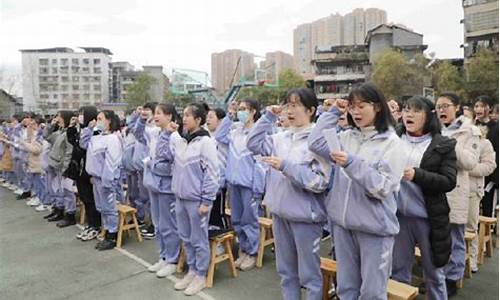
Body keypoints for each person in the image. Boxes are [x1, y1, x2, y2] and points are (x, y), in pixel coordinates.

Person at [309, 83, 407, 300]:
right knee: (346, 288)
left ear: (378, 107)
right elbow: (315, 143)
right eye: (352, 106)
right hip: (342, 226)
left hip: (374, 229)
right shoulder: (346, 137)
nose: (355, 111)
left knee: (372, 292)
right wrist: (333, 111)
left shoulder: (392, 144)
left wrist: (352, 163)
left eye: (362, 106)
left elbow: (382, 188)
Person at [247, 88, 331, 299]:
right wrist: (268, 117)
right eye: (288, 105)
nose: (290, 111)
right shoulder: (280, 138)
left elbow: (320, 182)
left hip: (306, 218)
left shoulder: (318, 141)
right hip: (280, 213)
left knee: (310, 275)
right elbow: (253, 144)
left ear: (311, 110)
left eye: (296, 105)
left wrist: (286, 166)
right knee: (286, 272)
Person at [391, 96, 457, 299]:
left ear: (429, 116)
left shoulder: (442, 144)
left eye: (416, 110)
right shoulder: (393, 138)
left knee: (434, 273)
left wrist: (416, 175)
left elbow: (448, 181)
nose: (409, 114)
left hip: (428, 218)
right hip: (398, 217)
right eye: (406, 109)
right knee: (398, 272)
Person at [436, 92, 481, 296]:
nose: (441, 110)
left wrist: (450, 145)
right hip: (434, 190)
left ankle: (453, 278)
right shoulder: (434, 128)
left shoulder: (470, 131)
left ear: (457, 107)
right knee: (436, 237)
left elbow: (471, 163)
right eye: (438, 106)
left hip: (456, 190)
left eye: (446, 106)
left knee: (455, 237)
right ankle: (437, 277)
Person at [171, 102, 219, 296]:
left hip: (196, 201)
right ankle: (192, 270)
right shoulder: (183, 140)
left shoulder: (205, 143)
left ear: (198, 120)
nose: (184, 118)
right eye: (183, 115)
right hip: (181, 198)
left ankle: (201, 273)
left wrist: (206, 201)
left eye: (188, 115)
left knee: (199, 239)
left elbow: (212, 173)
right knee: (186, 237)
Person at [215, 99, 266, 271]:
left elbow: (261, 164)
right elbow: (220, 135)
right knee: (236, 219)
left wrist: (258, 188)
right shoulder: (236, 130)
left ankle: (251, 252)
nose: (241, 112)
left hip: (249, 185)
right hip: (234, 183)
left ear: (253, 112)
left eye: (244, 109)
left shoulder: (258, 132)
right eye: (240, 109)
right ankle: (243, 250)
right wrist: (229, 114)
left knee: (249, 219)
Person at [134, 103, 182, 278]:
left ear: (169, 116)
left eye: (160, 113)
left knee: (169, 225)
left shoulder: (175, 137)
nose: (156, 116)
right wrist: (141, 118)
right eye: (155, 113)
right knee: (158, 224)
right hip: (153, 185)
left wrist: (152, 165)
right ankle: (163, 255)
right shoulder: (155, 132)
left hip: (167, 188)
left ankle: (173, 259)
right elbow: (138, 133)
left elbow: (173, 164)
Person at [81, 110, 123, 250]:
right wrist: (88, 129)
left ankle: (112, 235)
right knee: (101, 207)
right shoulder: (97, 136)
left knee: (109, 208)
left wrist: (108, 181)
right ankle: (106, 230)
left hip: (106, 179)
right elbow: (83, 144)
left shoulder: (112, 138)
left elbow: (112, 163)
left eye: (100, 119)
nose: (97, 122)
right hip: (96, 178)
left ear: (109, 121)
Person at [70, 106, 102, 240]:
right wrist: (72, 128)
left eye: (82, 114)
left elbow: (83, 146)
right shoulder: (82, 128)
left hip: (89, 170)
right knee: (84, 198)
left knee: (90, 199)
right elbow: (73, 142)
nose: (80, 116)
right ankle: (91, 224)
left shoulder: (96, 130)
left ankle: (95, 225)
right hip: (80, 169)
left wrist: (89, 129)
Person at [43, 111, 75, 226]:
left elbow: (69, 152)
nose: (57, 119)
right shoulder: (59, 132)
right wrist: (51, 125)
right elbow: (46, 136)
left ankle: (70, 214)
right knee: (56, 188)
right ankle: (58, 209)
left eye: (59, 117)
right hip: (54, 164)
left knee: (67, 191)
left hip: (62, 166)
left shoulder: (69, 133)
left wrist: (66, 168)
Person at [473, 96, 499, 218]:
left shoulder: (496, 128)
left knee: (487, 205)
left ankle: (486, 231)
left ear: (489, 108)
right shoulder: (470, 125)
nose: (478, 109)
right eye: (476, 106)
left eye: (482, 106)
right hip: (472, 170)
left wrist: (495, 177)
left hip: (489, 174)